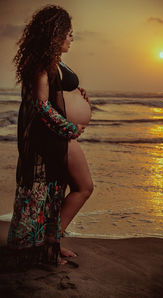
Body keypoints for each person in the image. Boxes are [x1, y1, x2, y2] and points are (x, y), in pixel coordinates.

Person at [6, 4, 94, 266]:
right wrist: (69, 128)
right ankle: (49, 247)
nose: (71, 37)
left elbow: (60, 90)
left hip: (57, 138)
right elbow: (42, 105)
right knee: (84, 187)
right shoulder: (41, 64)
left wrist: (79, 91)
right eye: (68, 32)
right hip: (52, 138)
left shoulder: (55, 60)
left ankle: (51, 244)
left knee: (59, 191)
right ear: (55, 34)